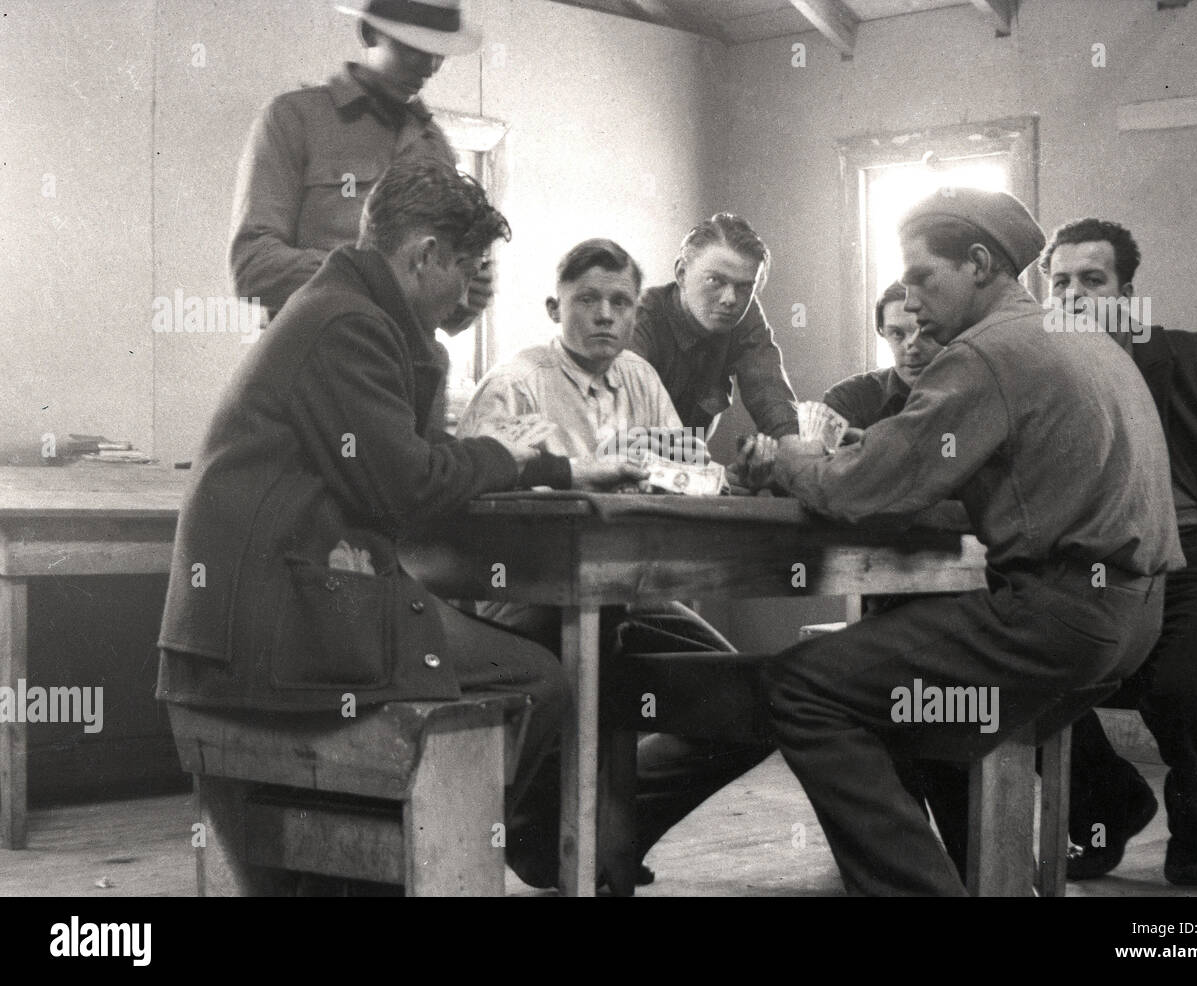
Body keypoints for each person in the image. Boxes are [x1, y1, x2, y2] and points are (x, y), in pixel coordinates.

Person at [157, 162, 644, 890]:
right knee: (545, 678)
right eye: (467, 270)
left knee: (531, 654)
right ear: (423, 256)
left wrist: (559, 470)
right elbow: (408, 486)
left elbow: (409, 458)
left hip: (262, 611)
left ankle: (447, 848)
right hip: (271, 626)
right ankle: (445, 852)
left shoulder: (344, 306)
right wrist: (503, 455)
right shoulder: (351, 323)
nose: (470, 290)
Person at [753, 188, 1183, 895]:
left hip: (1059, 618)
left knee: (800, 685)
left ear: (980, 263)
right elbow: (971, 457)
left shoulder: (983, 352)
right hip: (1137, 617)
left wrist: (790, 458)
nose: (913, 302)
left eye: (924, 277)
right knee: (919, 712)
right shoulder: (1077, 338)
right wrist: (882, 451)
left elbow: (861, 495)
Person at [458, 238, 771, 889]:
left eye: (620, 302)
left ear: (636, 314)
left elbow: (682, 476)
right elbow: (468, 500)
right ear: (555, 306)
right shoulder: (515, 383)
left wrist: (731, 480)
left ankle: (603, 841)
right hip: (528, 599)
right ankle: (545, 835)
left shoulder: (639, 378)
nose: (604, 315)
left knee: (755, 703)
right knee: (575, 683)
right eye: (587, 300)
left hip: (627, 593)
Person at [1041, 218, 1197, 885]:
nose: (1072, 295)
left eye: (1091, 280)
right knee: (1015, 661)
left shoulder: (1190, 359)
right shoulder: (1043, 382)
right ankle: (1106, 803)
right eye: (1059, 281)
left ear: (1127, 292)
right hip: (1104, 570)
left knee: (1184, 687)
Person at [228, 0, 492, 334]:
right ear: (369, 33)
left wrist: (467, 289)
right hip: (317, 366)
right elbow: (254, 267)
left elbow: (446, 317)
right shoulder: (294, 118)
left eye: (440, 52)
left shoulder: (435, 144)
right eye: (416, 47)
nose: (430, 66)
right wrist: (382, 277)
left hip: (407, 374)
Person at [630, 213, 800, 442]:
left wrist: (790, 445)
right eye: (715, 281)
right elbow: (622, 435)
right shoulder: (639, 318)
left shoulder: (744, 313)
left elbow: (769, 388)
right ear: (681, 273)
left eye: (744, 287)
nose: (730, 299)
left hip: (688, 463)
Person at [823, 280, 944, 443]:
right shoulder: (848, 399)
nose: (912, 349)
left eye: (924, 332)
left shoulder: (977, 394)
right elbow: (826, 466)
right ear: (883, 333)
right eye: (897, 334)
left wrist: (871, 448)